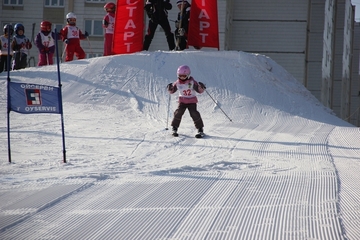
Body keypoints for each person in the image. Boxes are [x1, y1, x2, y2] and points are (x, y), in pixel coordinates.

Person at [167, 65, 206, 137]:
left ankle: (200, 129)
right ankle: (174, 128)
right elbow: (172, 91)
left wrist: (201, 88)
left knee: (194, 113)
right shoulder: (177, 83)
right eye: (180, 76)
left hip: (192, 101)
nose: (182, 77)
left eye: (184, 76)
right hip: (182, 101)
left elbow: (199, 90)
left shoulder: (192, 82)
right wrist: (170, 89)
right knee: (178, 112)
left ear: (188, 75)